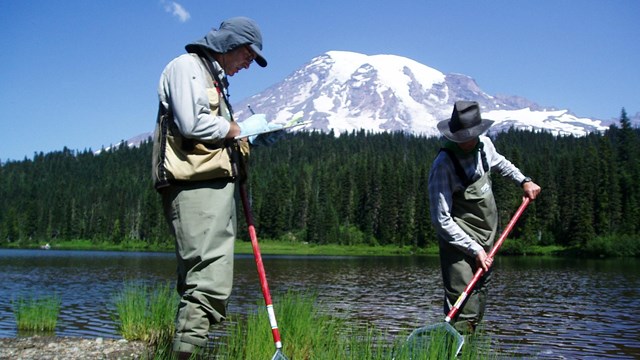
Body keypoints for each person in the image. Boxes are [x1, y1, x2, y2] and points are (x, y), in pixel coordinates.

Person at [151, 17, 282, 358]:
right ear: (229, 44)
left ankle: (189, 348)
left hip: (214, 189)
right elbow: (191, 123)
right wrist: (239, 129)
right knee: (207, 280)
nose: (247, 65)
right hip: (195, 188)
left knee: (211, 279)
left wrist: (251, 136)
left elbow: (217, 135)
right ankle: (186, 354)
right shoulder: (186, 67)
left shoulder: (213, 78)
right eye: (247, 56)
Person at [428, 100, 541, 334]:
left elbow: (502, 164)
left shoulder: (484, 145)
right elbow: (441, 220)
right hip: (459, 246)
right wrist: (474, 249)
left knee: (479, 301)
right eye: (463, 136)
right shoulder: (443, 164)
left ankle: (469, 350)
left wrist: (524, 180)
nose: (468, 140)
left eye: (472, 135)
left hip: (487, 240)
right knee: (463, 309)